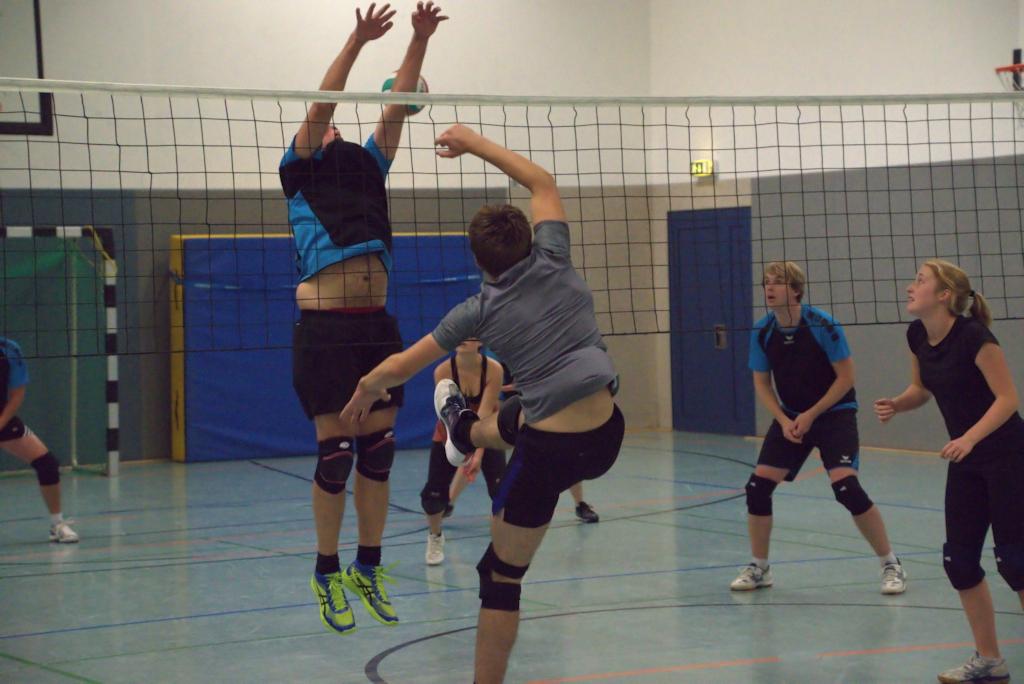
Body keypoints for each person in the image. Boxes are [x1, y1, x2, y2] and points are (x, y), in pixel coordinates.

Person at [341, 123, 623, 684]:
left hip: (550, 453)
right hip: (608, 431)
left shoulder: (477, 314)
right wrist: (473, 143)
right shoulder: (556, 256)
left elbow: (400, 367)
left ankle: (462, 427)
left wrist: (365, 388)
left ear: (477, 258)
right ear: (531, 238)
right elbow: (540, 180)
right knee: (518, 415)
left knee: (500, 577)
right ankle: (468, 428)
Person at [279, 1, 447, 636]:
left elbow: (400, 103)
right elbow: (321, 102)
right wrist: (354, 40)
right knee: (336, 457)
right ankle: (326, 573)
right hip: (325, 330)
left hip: (376, 326)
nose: (333, 128)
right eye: (325, 127)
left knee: (377, 454)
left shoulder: (369, 164)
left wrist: (418, 38)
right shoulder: (299, 171)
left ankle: (367, 565)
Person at [875, 259, 1023, 684]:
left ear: (944, 295)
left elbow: (1007, 399)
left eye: (920, 281)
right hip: (966, 460)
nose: (910, 287)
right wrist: (898, 404)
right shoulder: (918, 334)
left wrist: (971, 437)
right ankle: (990, 661)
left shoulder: (975, 336)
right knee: (959, 562)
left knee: (1016, 562)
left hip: (1007, 456)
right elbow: (922, 388)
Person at [730, 261, 906, 595]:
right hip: (791, 416)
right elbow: (762, 384)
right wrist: (784, 420)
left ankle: (890, 563)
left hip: (834, 413)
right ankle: (759, 567)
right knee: (757, 487)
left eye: (778, 282)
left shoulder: (823, 324)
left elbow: (846, 379)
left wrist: (811, 414)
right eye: (766, 282)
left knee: (846, 489)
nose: (769, 287)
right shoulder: (763, 330)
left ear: (795, 289)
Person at [422, 338, 506, 565]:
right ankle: (435, 536)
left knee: (501, 493)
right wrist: (461, 454)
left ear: (480, 342)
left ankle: (501, 546)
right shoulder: (443, 371)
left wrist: (477, 456)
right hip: (449, 434)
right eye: (460, 336)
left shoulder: (493, 369)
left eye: (469, 337)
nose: (462, 340)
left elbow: (485, 414)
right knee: (433, 496)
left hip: (486, 433)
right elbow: (447, 417)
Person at [498, 363, 599, 523]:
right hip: (519, 416)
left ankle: (580, 504)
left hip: (550, 416)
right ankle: (448, 503)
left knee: (568, 461)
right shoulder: (499, 362)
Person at [0, 338, 78, 543]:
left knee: (47, 464)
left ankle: (57, 524)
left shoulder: (9, 349)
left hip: (2, 419)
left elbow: (17, 394)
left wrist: (0, 423)